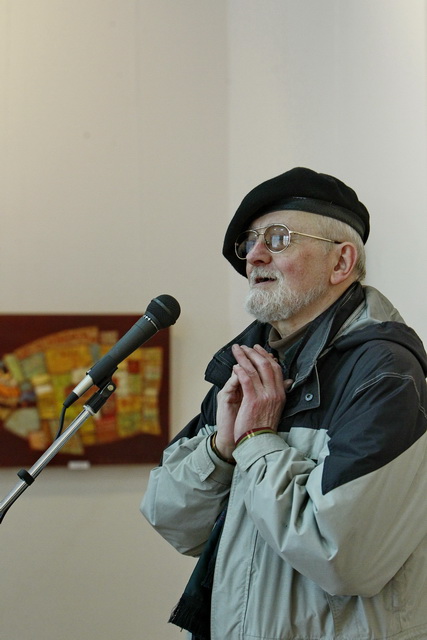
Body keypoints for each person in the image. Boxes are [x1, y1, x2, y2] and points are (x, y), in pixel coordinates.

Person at [140, 167, 427, 640]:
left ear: (341, 262)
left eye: (278, 238)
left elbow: (344, 558)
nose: (254, 256)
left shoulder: (385, 374)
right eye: (250, 242)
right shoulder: (248, 365)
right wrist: (221, 450)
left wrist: (256, 440)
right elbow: (171, 519)